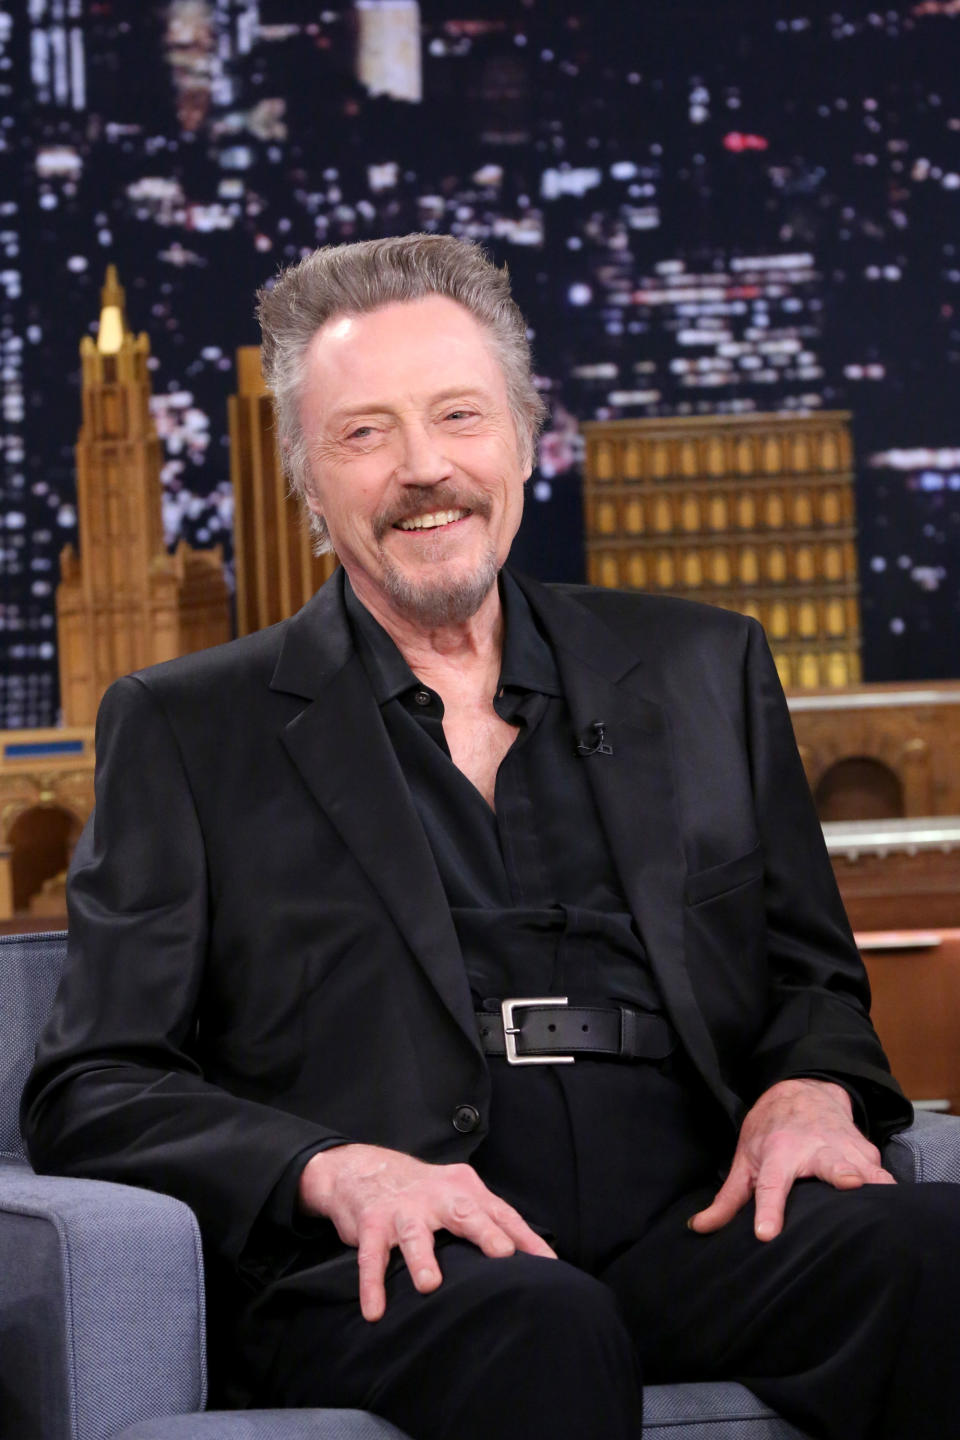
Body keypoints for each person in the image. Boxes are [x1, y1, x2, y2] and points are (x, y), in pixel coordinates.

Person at [22, 234, 959, 1440]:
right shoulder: (188, 728)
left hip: (697, 1230)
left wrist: (814, 1088)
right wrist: (331, 1170)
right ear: (306, 473)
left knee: (935, 1247)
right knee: (543, 1323)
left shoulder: (702, 667)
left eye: (459, 416)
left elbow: (810, 977)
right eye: (365, 433)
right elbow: (96, 1084)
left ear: (524, 436)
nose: (425, 469)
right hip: (407, 1276)